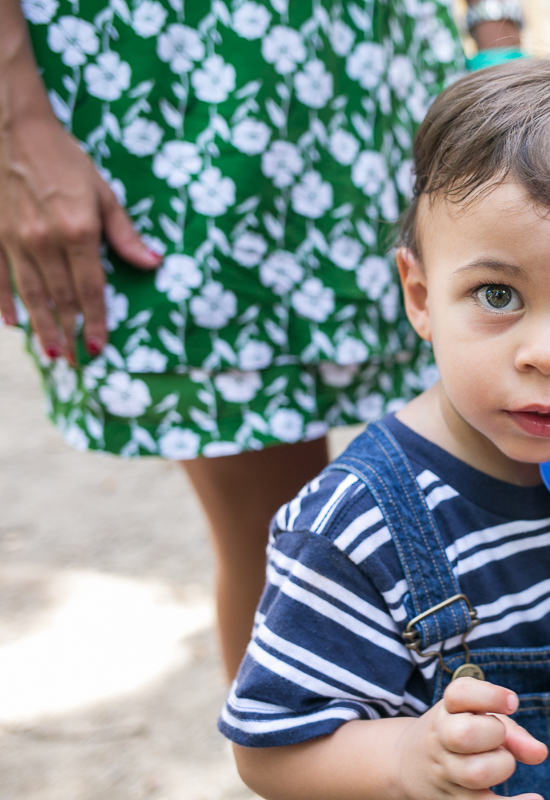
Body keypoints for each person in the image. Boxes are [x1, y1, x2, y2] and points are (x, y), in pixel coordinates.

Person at [218, 58, 550, 800]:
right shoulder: (352, 525)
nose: (548, 355)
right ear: (420, 295)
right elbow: (267, 751)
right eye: (497, 293)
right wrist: (403, 757)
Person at [1, 0, 520, 679]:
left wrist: (497, 40)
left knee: (503, 494)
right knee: (282, 548)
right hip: (178, 104)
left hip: (381, 80)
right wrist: (13, 120)